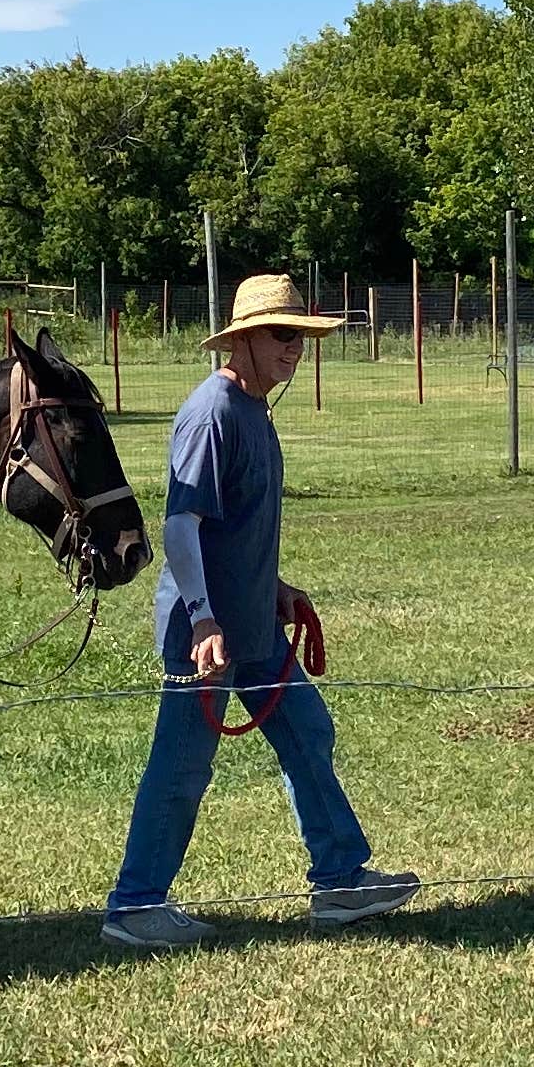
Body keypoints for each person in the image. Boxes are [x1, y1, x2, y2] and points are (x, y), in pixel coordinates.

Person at [103, 272, 419, 950]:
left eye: (302, 337)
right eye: (282, 335)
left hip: (255, 626)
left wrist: (272, 585)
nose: (296, 350)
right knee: (182, 767)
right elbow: (182, 526)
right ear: (242, 340)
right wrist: (205, 618)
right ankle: (134, 906)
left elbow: (231, 523)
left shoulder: (254, 410)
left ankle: (340, 881)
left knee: (308, 732)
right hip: (208, 637)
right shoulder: (211, 413)